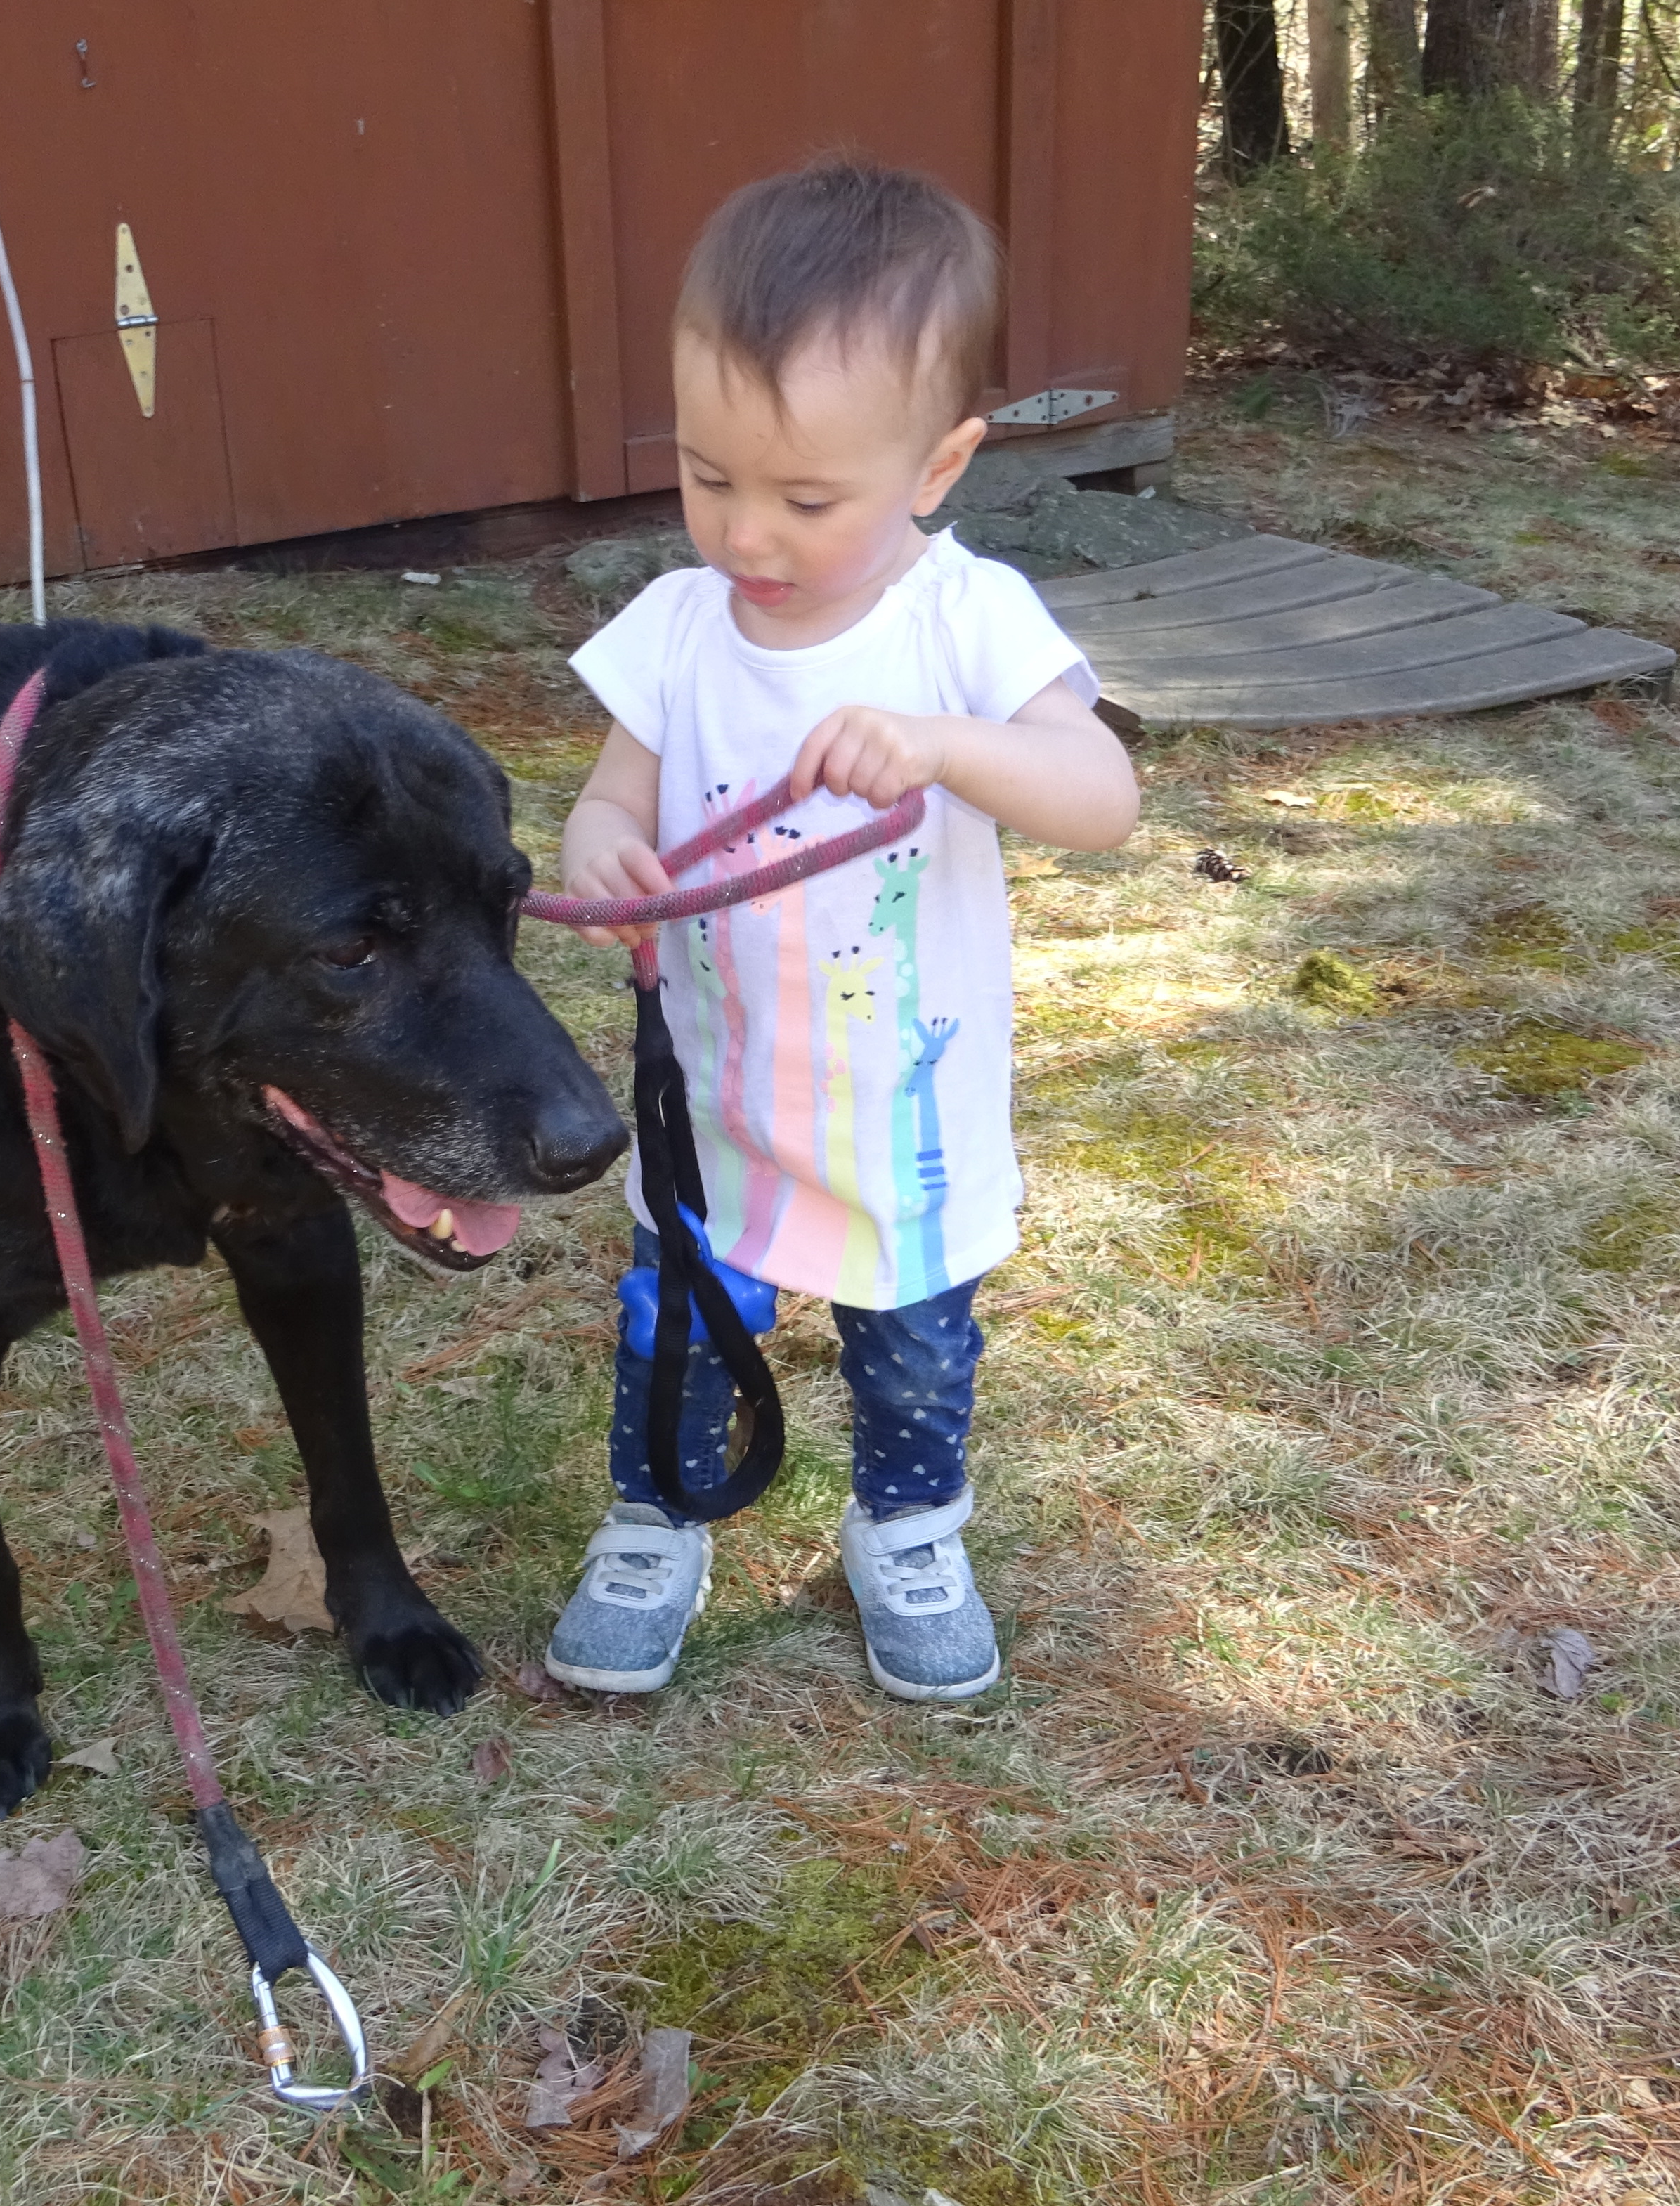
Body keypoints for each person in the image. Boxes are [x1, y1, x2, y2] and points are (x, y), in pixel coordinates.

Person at [540, 160, 1140, 1703]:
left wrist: (945, 744)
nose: (748, 531)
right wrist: (605, 854)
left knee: (915, 1345)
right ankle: (657, 1516)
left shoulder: (964, 620)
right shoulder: (676, 631)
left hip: (903, 1118)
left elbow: (1101, 796)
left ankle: (908, 1527)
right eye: (708, 478)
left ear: (938, 465)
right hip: (718, 1105)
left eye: (807, 500)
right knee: (675, 1323)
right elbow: (607, 802)